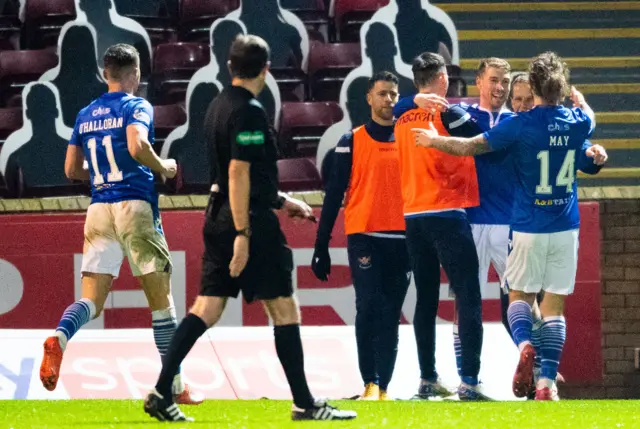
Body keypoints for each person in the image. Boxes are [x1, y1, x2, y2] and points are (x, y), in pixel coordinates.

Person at [143, 35, 357, 422]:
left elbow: (240, 177)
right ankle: (305, 403)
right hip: (248, 223)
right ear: (267, 69)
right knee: (284, 308)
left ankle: (161, 391)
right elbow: (238, 171)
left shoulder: (217, 105)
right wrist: (244, 233)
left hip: (218, 213)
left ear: (230, 67)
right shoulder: (251, 112)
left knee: (206, 308)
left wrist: (280, 201)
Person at [412, 51, 608, 401]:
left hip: (520, 223)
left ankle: (525, 348)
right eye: (497, 82)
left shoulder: (518, 123)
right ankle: (540, 381)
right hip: (549, 224)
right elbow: (587, 126)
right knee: (547, 305)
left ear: (532, 90)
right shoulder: (575, 119)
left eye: (515, 89)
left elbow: (471, 146)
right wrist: (586, 121)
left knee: (517, 297)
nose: (505, 91)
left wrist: (432, 140)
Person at [39, 44, 201, 405]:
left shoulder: (85, 114)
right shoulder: (136, 105)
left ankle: (59, 338)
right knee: (161, 303)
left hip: (99, 207)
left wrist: (98, 174)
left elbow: (70, 170)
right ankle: (174, 386)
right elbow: (137, 144)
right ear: (136, 74)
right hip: (135, 206)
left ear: (104, 73)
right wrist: (164, 167)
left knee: (91, 302)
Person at [394, 52, 488, 401]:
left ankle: (428, 378)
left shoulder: (403, 115)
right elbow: (483, 138)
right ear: (443, 78)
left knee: (426, 299)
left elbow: (393, 109)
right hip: (447, 211)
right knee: (468, 295)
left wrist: (410, 99)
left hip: (413, 216)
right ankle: (470, 381)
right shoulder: (448, 113)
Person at [311, 71, 410, 401]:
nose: (389, 100)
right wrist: (321, 244)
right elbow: (334, 193)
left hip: (403, 238)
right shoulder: (351, 140)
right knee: (368, 305)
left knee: (391, 313)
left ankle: (384, 388)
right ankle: (369, 381)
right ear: (369, 98)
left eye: (394, 94)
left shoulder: (411, 139)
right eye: (382, 94)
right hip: (365, 235)